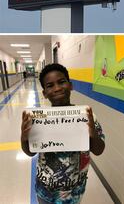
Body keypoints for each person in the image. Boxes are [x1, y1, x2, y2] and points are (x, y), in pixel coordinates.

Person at [20, 63, 105, 204]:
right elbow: (30, 152)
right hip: (45, 191)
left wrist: (92, 133)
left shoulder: (88, 116)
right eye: (50, 85)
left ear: (70, 85)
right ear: (45, 93)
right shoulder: (37, 119)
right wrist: (24, 138)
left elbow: (99, 150)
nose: (57, 88)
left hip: (75, 191)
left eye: (61, 82)